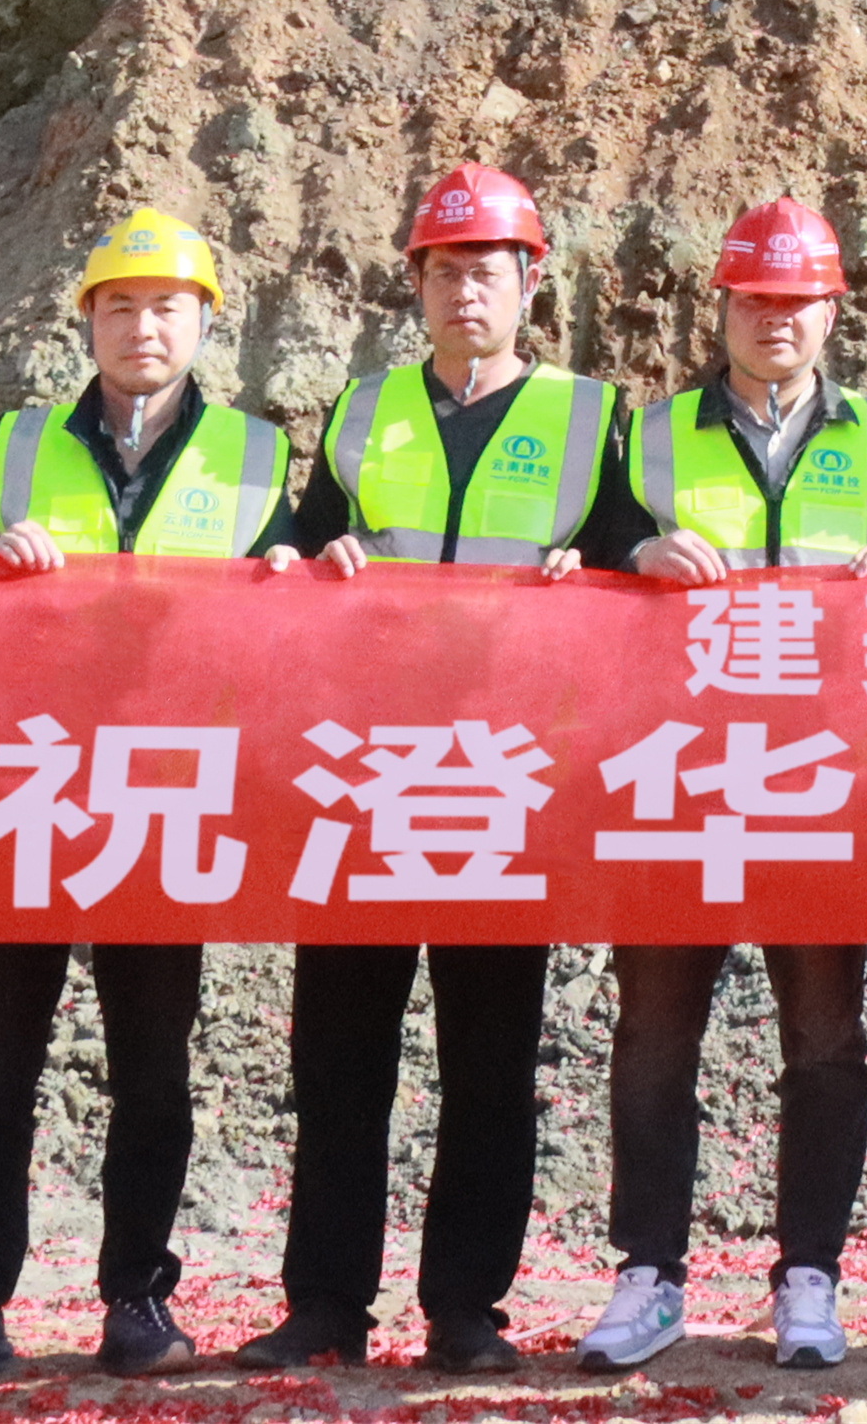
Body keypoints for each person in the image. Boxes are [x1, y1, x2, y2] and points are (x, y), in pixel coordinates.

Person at [242, 164, 641, 1378]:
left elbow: (634, 567)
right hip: (364, 775)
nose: (469, 291)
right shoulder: (366, 413)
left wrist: (602, 573)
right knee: (339, 1056)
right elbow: (294, 557)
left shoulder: (592, 419)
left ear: (533, 285)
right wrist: (308, 559)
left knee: (489, 1060)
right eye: (446, 270)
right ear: (414, 284)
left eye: (491, 270)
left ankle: (467, 1308)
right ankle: (324, 1305)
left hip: (504, 782)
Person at [0, 208, 296, 1383]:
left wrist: (291, 576)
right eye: (119, 304)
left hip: (169, 795)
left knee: (152, 1064)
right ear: (87, 322)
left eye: (166, 305)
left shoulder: (258, 460)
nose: (142, 325)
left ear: (204, 322)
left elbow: (311, 618)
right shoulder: (19, 449)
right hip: (28, 792)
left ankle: (137, 1301)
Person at [586, 196, 867, 1378]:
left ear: (834, 311)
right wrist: (632, 553)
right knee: (653, 1035)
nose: (776, 320)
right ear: (720, 307)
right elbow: (575, 564)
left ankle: (808, 1277)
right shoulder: (653, 433)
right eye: (755, 300)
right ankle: (650, 1275)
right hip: (675, 778)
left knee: (826, 1036)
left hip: (821, 784)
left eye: (798, 302)